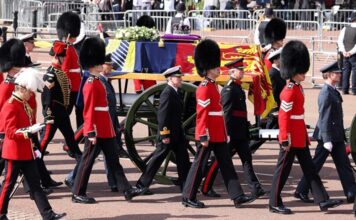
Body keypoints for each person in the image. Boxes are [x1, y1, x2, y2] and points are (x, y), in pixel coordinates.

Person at [269, 40, 342, 214]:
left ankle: (322, 200)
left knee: (310, 169)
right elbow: (284, 117)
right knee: (282, 171)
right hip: (290, 138)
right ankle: (274, 202)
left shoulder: (298, 88)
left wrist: (303, 134)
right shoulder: (288, 90)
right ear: (294, 71)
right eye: (301, 71)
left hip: (298, 135)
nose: (304, 74)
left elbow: (297, 116)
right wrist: (284, 138)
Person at [182, 39, 255, 209]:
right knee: (199, 165)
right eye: (215, 67)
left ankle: (237, 196)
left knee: (227, 164)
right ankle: (188, 196)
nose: (218, 68)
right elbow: (202, 115)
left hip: (218, 133)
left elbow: (218, 113)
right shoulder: (205, 87)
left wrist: (224, 132)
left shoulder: (213, 86)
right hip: (208, 133)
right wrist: (203, 134)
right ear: (207, 69)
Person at [72, 37, 137, 204]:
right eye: (101, 62)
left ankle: (126, 189)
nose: (104, 64)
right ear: (94, 64)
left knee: (114, 161)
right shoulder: (91, 84)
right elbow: (89, 111)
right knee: (87, 162)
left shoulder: (98, 82)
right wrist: (91, 131)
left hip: (105, 128)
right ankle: (78, 192)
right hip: (96, 130)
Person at [0, 68, 66, 220]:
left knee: (36, 185)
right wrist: (28, 132)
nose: (31, 94)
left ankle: (47, 214)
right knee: (8, 185)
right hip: (14, 152)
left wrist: (36, 131)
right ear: (22, 89)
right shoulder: (10, 105)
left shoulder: (22, 104)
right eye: (29, 91)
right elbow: (11, 132)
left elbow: (26, 125)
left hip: (26, 151)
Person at [201, 58, 266, 199]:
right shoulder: (229, 89)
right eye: (239, 70)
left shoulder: (237, 87)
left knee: (247, 159)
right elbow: (227, 114)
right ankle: (206, 187)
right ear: (231, 72)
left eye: (242, 70)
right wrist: (227, 133)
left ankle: (256, 188)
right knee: (218, 161)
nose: (242, 72)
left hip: (240, 132)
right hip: (231, 132)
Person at [295, 61, 356, 203]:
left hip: (336, 136)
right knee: (315, 165)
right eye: (337, 73)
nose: (340, 75)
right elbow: (325, 117)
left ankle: (351, 191)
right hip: (327, 136)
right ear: (330, 75)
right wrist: (327, 139)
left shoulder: (332, 90)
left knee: (344, 164)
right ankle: (301, 190)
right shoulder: (325, 93)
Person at [126, 65, 191, 199]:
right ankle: (141, 185)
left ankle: (186, 185)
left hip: (177, 134)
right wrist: (165, 134)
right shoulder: (167, 93)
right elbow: (162, 115)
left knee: (183, 159)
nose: (180, 79)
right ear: (170, 78)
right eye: (178, 77)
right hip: (169, 134)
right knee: (157, 160)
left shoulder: (174, 91)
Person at [40, 40, 82, 187]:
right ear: (58, 57)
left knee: (73, 145)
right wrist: (49, 115)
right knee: (40, 148)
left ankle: (79, 176)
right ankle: (39, 178)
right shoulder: (51, 74)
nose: (65, 59)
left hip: (62, 114)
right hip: (53, 115)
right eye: (63, 56)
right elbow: (47, 99)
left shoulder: (59, 73)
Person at [99, 54, 130, 192]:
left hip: (109, 124)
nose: (111, 68)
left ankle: (114, 182)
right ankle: (73, 178)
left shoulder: (105, 81)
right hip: (103, 126)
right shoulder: (100, 82)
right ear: (102, 66)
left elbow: (111, 107)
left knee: (108, 155)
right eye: (109, 65)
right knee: (92, 157)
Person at [249, 48, 285, 153]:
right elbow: (271, 94)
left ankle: (287, 151)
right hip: (273, 111)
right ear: (276, 60)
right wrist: (273, 111)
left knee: (278, 132)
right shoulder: (273, 74)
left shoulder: (278, 73)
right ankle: (248, 149)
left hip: (278, 110)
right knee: (265, 134)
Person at [57, 11, 84, 128]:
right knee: (64, 113)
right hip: (71, 86)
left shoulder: (70, 47)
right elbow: (65, 69)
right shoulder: (67, 48)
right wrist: (66, 87)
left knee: (79, 110)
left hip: (76, 85)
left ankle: (80, 134)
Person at [337, 11, 356, 95]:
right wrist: (351, 52)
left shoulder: (345, 28)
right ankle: (354, 89)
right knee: (355, 72)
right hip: (353, 54)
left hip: (345, 53)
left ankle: (345, 89)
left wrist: (344, 51)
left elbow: (340, 41)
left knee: (346, 71)